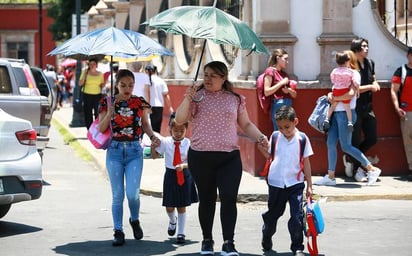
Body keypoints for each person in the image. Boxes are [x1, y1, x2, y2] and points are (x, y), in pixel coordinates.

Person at [174, 61, 269, 255]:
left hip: (229, 158)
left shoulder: (235, 99)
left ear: (223, 78)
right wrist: (187, 98)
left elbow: (246, 124)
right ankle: (207, 241)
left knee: (228, 199)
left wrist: (260, 137)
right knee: (207, 200)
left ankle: (228, 242)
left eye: (213, 75)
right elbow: (179, 119)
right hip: (201, 158)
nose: (207, 78)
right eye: (205, 74)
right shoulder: (196, 97)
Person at [97, 69, 160, 246]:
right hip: (115, 151)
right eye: (123, 85)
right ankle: (118, 230)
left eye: (130, 85)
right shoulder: (106, 101)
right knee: (117, 195)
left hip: (134, 151)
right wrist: (109, 113)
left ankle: (135, 219)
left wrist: (154, 137)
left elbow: (146, 125)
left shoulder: (139, 102)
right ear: (116, 84)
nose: (127, 88)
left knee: (133, 194)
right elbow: (101, 129)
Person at [314, 50, 382, 187]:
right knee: (331, 143)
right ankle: (331, 176)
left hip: (346, 114)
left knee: (346, 146)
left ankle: (371, 169)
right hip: (336, 113)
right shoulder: (340, 74)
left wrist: (335, 98)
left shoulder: (353, 75)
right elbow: (336, 90)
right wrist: (330, 94)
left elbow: (350, 94)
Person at [259, 105, 313, 256]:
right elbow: (270, 157)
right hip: (276, 182)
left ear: (295, 121)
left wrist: (309, 185)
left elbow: (306, 163)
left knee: (297, 216)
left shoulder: (302, 139)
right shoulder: (275, 136)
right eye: (280, 127)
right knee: (274, 214)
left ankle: (297, 247)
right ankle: (267, 233)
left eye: (287, 127)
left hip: (295, 183)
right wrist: (261, 148)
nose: (284, 131)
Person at [151, 114, 198, 244]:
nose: (178, 133)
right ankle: (173, 221)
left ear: (186, 130)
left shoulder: (189, 143)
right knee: (169, 206)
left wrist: (183, 166)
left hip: (184, 174)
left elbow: (193, 162)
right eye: (176, 130)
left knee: (182, 206)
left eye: (181, 131)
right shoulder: (166, 142)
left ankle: (181, 233)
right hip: (171, 175)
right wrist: (153, 147)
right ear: (170, 129)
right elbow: (155, 156)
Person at [344, 38, 381, 180]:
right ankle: (357, 170)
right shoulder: (351, 66)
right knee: (355, 139)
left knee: (372, 138)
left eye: (367, 46)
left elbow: (373, 77)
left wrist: (375, 82)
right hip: (355, 107)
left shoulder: (370, 63)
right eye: (363, 46)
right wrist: (371, 87)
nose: (366, 49)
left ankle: (351, 159)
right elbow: (353, 88)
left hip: (368, 106)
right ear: (356, 49)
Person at [323, 51, 359, 132]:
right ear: (347, 61)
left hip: (336, 90)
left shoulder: (335, 71)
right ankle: (350, 122)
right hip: (345, 90)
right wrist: (357, 87)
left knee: (332, 106)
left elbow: (332, 79)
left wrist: (336, 83)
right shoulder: (350, 72)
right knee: (347, 108)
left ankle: (327, 118)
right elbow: (355, 82)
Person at [390, 47, 412, 181]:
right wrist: (397, 107)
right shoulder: (401, 71)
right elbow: (393, 90)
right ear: (408, 56)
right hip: (407, 111)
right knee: (408, 141)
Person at [263, 48, 297, 131]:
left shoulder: (284, 74)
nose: (287, 62)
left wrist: (289, 91)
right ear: (278, 58)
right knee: (279, 132)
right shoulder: (270, 71)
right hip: (278, 105)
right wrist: (281, 83)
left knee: (289, 131)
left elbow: (294, 95)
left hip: (288, 105)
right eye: (285, 59)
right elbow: (266, 91)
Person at [146, 64, 174, 133]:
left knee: (148, 128)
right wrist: (170, 107)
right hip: (159, 106)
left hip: (148, 106)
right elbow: (166, 95)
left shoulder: (145, 80)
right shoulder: (161, 81)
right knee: (157, 129)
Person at [79, 58, 105, 130]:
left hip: (97, 95)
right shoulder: (85, 72)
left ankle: (97, 128)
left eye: (94, 64)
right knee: (88, 113)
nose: (92, 65)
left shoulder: (100, 74)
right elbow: (80, 83)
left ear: (96, 65)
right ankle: (89, 129)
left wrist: (104, 85)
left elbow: (102, 84)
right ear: (88, 65)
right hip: (87, 94)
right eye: (90, 64)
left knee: (97, 113)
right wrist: (85, 75)